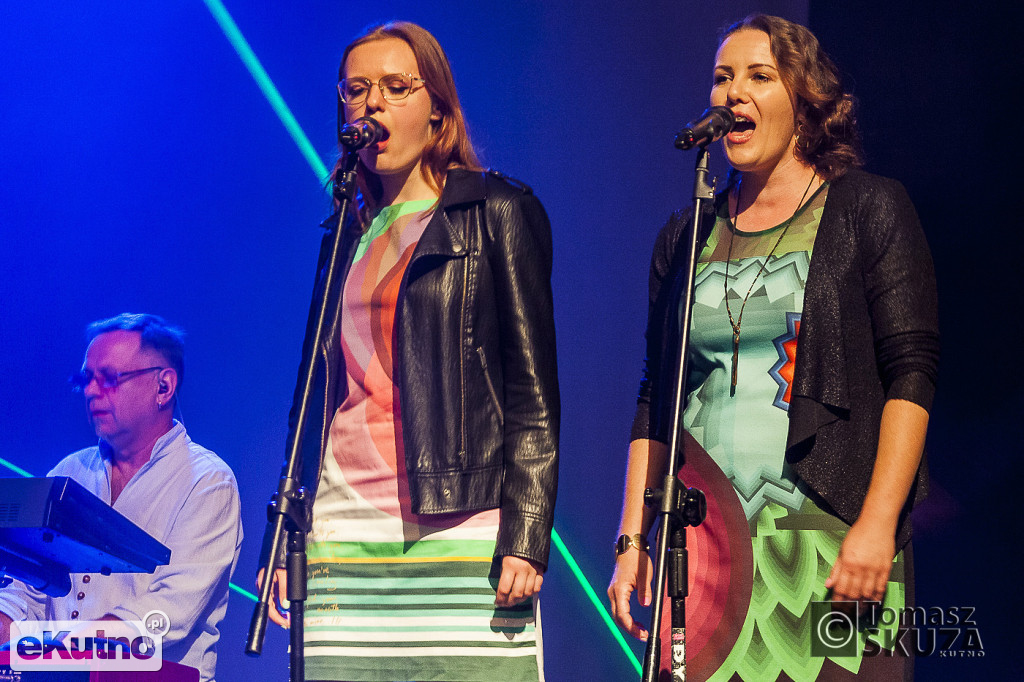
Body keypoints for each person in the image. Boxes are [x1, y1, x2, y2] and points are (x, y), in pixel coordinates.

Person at [608, 14, 938, 681]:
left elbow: (912, 371)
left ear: (805, 99)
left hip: (831, 542)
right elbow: (655, 395)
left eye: (759, 76)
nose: (733, 92)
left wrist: (878, 525)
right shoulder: (686, 235)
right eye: (722, 77)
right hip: (703, 557)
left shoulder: (867, 208)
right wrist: (632, 539)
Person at [257, 21, 559, 682]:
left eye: (396, 87)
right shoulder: (345, 231)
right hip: (342, 530)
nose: (372, 104)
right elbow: (313, 399)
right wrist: (286, 534)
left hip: (462, 528)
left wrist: (528, 532)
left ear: (438, 111)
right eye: (356, 90)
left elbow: (532, 394)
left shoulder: (496, 210)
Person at [0, 313, 243, 682]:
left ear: (164, 387)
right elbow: (26, 589)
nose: (91, 391)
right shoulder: (69, 471)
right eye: (86, 379)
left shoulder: (208, 482)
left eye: (110, 378)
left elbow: (167, 613)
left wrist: (60, 650)